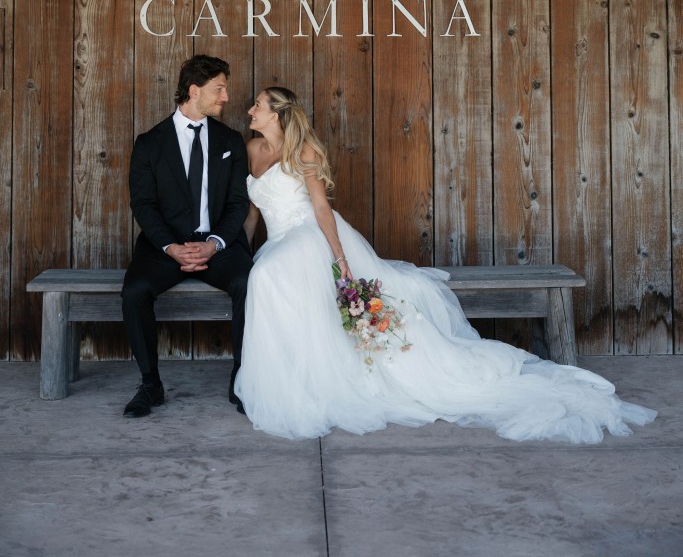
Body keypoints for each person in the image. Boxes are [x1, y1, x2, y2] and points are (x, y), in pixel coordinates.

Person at [235, 86, 657, 443]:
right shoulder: (251, 148)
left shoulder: (304, 151)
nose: (250, 109)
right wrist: (238, 249)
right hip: (278, 241)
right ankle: (298, 374)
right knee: (266, 277)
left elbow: (322, 210)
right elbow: (252, 213)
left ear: (278, 114)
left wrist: (341, 259)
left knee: (268, 276)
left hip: (310, 236)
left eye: (258, 105)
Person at [121, 55, 252, 417]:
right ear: (194, 91)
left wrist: (214, 244)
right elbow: (143, 203)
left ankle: (242, 380)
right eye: (219, 88)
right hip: (164, 248)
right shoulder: (149, 143)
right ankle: (150, 384)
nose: (226, 97)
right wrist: (172, 247)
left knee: (249, 282)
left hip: (218, 245)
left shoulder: (230, 140)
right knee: (134, 291)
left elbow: (238, 203)